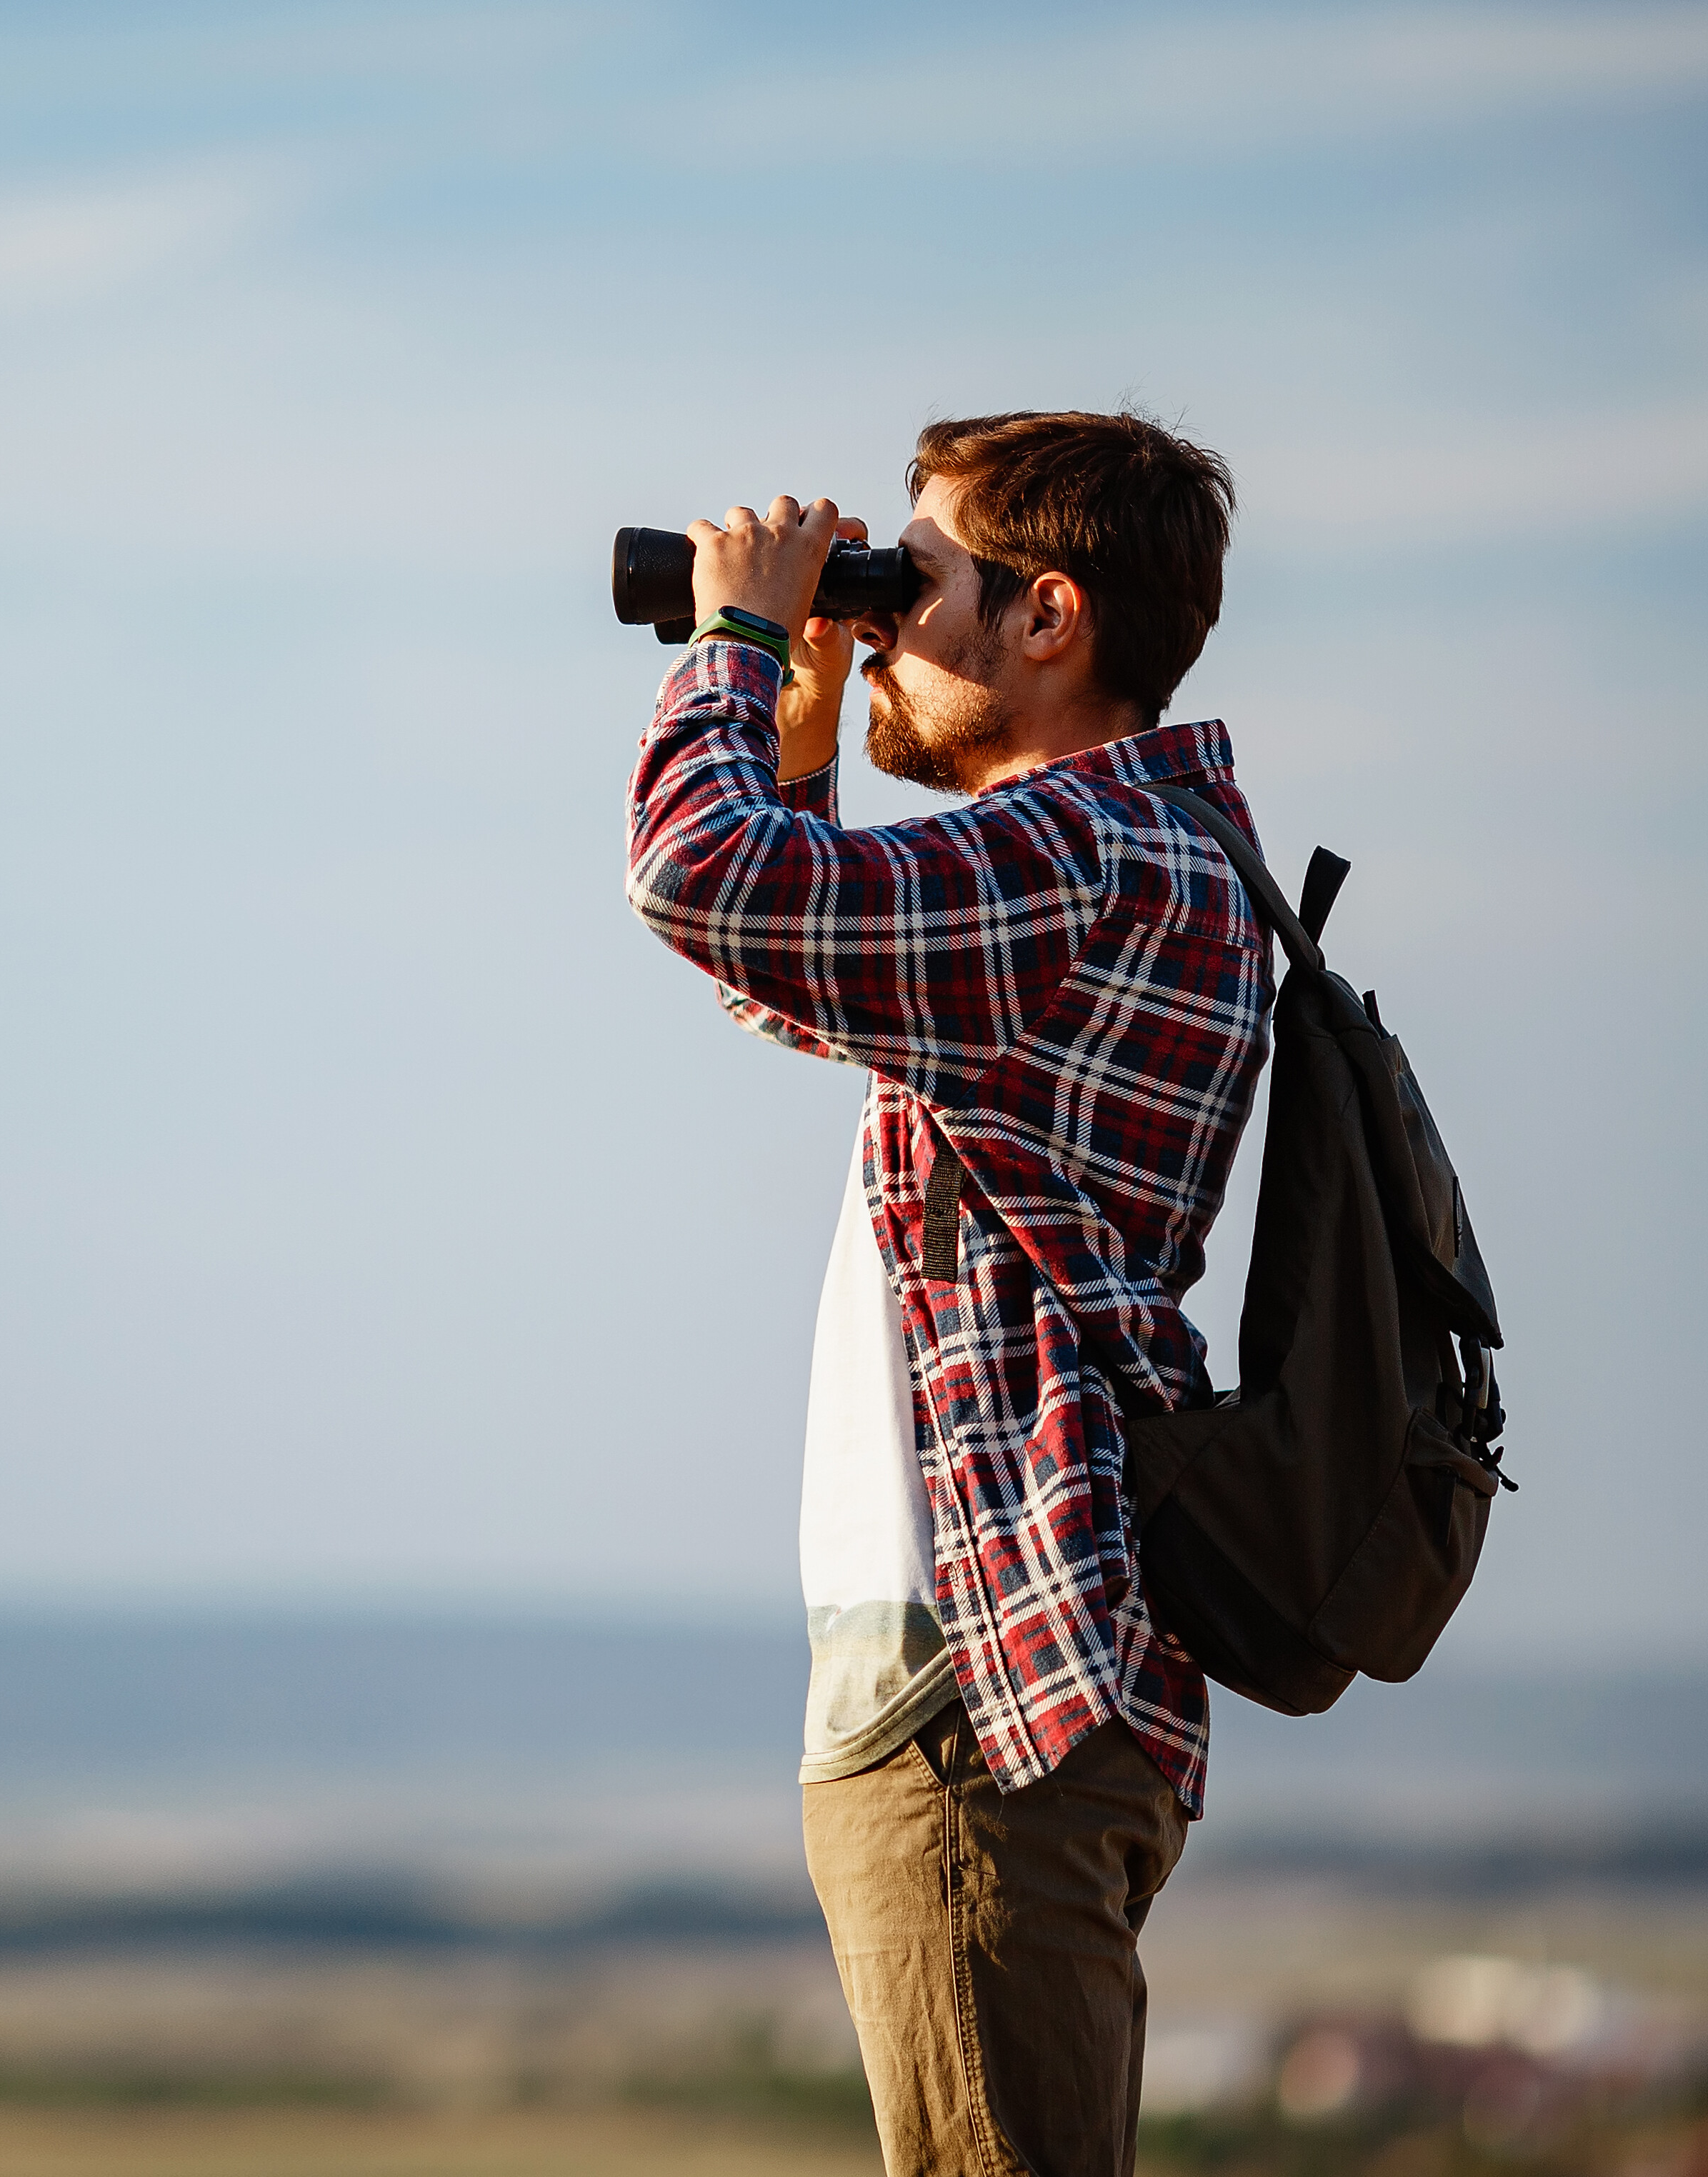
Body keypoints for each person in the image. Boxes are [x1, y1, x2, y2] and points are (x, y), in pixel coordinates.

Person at [624, 411, 1269, 2177]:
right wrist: (802, 727)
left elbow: (703, 883)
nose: (880, 618)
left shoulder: (1090, 857)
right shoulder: (1107, 862)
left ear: (1046, 618)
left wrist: (735, 645)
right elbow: (795, 973)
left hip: (988, 1703)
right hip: (985, 1691)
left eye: (910, 582)